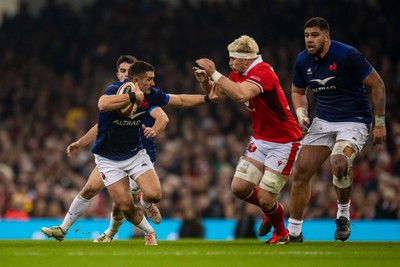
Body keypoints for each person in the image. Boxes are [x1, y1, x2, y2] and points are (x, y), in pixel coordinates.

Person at [42, 59, 213, 243]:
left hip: (135, 153)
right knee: (119, 203)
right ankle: (146, 232)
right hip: (108, 158)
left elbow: (179, 101)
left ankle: (139, 208)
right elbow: (102, 105)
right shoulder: (115, 90)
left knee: (153, 195)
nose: (154, 83)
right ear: (135, 80)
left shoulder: (151, 95)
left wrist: (207, 98)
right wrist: (81, 142)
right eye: (150, 79)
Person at [195, 35, 302, 245]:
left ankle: (281, 233)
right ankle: (270, 210)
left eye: (233, 58)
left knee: (265, 197)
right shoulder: (239, 72)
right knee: (239, 188)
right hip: (261, 139)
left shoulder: (263, 73)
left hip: (284, 141)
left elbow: (241, 95)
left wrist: (215, 73)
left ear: (246, 59)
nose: (230, 63)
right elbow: (217, 95)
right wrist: (206, 82)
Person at [287, 17, 386, 242]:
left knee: (339, 163)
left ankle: (343, 214)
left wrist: (379, 123)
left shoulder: (347, 55)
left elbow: (377, 83)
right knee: (302, 171)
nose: (309, 40)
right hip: (323, 121)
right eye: (306, 36)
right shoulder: (303, 61)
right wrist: (302, 115)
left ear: (327, 36)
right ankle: (293, 233)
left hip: (355, 120)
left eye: (314, 35)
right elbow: (297, 91)